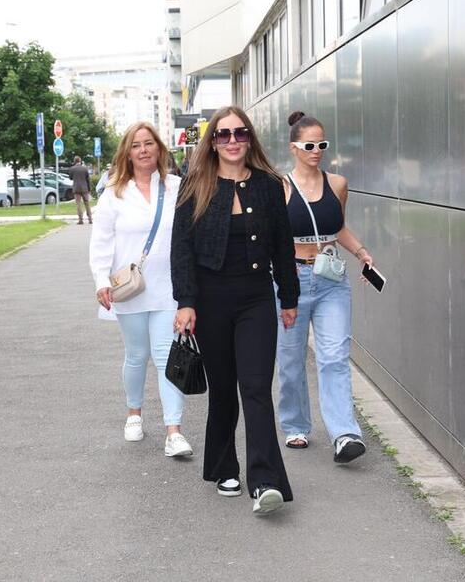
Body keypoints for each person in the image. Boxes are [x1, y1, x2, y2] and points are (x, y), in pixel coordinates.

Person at [171, 106, 299, 515]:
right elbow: (181, 249)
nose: (232, 141)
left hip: (255, 298)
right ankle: (224, 466)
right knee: (224, 389)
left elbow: (283, 245)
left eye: (239, 133)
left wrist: (289, 298)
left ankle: (265, 481)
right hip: (210, 301)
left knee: (256, 387)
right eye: (223, 134)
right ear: (212, 142)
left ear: (249, 139)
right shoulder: (195, 185)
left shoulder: (268, 185)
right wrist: (186, 301)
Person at [90, 122, 192, 458]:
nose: (143, 150)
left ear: (159, 148)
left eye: (149, 143)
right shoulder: (115, 193)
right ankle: (134, 413)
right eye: (136, 145)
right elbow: (101, 241)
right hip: (129, 290)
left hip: (168, 287)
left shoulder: (177, 187)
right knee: (136, 355)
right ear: (127, 153)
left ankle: (174, 431)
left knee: (166, 356)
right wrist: (101, 280)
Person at [276, 110, 374, 463]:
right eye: (309, 145)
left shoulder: (338, 184)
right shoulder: (280, 187)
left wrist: (362, 253)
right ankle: (296, 424)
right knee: (290, 359)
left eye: (322, 145)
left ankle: (344, 433)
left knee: (334, 356)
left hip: (332, 280)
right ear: (294, 147)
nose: (316, 151)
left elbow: (338, 227)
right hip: (292, 280)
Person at [68, 156, 92, 224]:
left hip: (76, 188)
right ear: (80, 161)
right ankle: (90, 219)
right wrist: (89, 189)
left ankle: (80, 219)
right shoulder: (85, 169)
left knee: (78, 204)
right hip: (85, 188)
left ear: (74, 161)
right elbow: (88, 180)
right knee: (87, 203)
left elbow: (70, 178)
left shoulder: (72, 169)